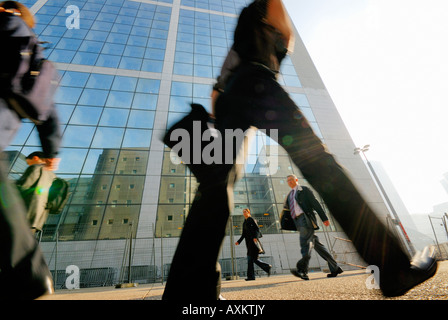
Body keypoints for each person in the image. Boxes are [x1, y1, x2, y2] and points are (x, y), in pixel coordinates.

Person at [163, 0, 437, 299]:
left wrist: (222, 118)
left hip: (232, 99)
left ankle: (188, 292)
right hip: (258, 83)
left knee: (217, 186)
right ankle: (392, 267)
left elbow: (216, 93)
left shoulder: (241, 32)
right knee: (318, 161)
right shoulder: (264, 8)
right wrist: (279, 47)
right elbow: (286, 34)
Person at [0, 1, 61, 299]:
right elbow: (44, 107)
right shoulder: (22, 36)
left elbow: (36, 195)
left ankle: (30, 278)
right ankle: (31, 279)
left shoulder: (10, 26)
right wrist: (52, 149)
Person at [285, 174, 342, 280]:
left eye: (291, 180)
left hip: (305, 219)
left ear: (296, 180)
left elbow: (315, 203)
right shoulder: (290, 195)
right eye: (288, 181)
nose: (290, 182)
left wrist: (324, 218)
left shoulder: (304, 190)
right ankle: (335, 267)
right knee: (317, 245)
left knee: (305, 244)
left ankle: (302, 270)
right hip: (298, 222)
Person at [16, 152, 56, 235]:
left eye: (28, 162)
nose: (29, 165)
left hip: (24, 215)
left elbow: (23, 186)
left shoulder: (36, 168)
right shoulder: (53, 176)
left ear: (35, 158)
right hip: (37, 220)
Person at [235, 209, 271, 280]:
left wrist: (255, 237)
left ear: (249, 212)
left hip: (253, 242)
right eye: (243, 212)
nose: (244, 213)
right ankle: (266, 267)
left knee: (250, 259)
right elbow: (243, 234)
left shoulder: (251, 219)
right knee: (253, 259)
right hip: (248, 243)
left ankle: (251, 276)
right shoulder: (244, 222)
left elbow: (257, 229)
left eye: (245, 212)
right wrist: (238, 241)